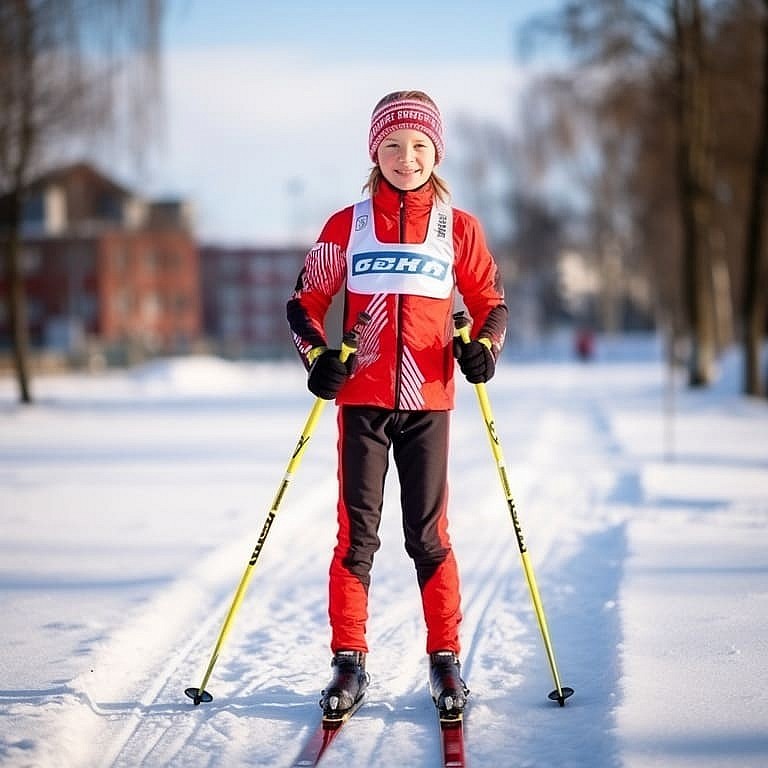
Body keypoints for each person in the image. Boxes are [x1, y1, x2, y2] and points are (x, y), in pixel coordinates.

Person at [286, 89, 508, 721]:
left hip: (429, 403)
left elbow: (491, 303)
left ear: (435, 152)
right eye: (392, 145)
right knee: (357, 538)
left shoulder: (456, 227)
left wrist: (484, 351)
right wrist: (318, 359)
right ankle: (348, 662)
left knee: (428, 537)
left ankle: (445, 661)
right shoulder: (346, 225)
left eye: (418, 146)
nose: (406, 157)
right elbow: (303, 304)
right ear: (374, 152)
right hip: (362, 402)